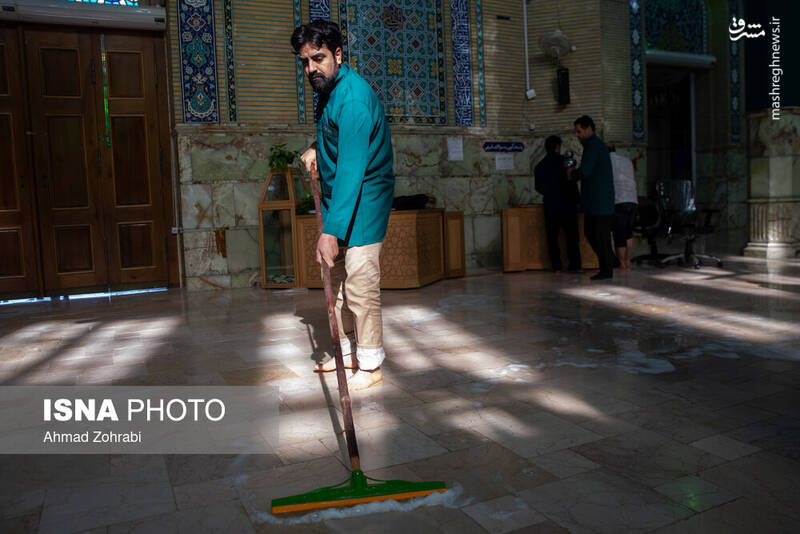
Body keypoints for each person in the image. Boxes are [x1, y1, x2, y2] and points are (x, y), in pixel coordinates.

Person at [291, 20, 395, 390]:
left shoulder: (352, 98)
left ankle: (370, 365)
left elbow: (353, 167)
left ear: (338, 54)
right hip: (342, 194)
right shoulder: (329, 89)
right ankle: (349, 351)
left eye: (318, 58)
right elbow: (334, 135)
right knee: (337, 281)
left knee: (360, 280)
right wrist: (317, 147)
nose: (311, 69)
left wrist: (331, 231)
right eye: (305, 62)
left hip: (364, 196)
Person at [566, 115, 615, 280]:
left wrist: (572, 174)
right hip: (597, 202)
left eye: (579, 131)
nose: (577, 135)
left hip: (599, 203)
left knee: (600, 236)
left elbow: (585, 171)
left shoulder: (594, 146)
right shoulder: (595, 145)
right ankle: (608, 263)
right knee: (594, 233)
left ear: (589, 129)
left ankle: (607, 268)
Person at [534, 135, 581, 272]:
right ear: (557, 147)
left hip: (551, 206)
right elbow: (572, 181)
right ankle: (575, 266)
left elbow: (538, 187)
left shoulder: (539, 166)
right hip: (568, 205)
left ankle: (556, 267)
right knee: (572, 237)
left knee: (552, 238)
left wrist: (550, 193)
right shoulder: (565, 162)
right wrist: (577, 200)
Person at [608, 144, 638, 269]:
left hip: (619, 200)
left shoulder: (606, 161)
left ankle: (621, 262)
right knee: (628, 233)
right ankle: (627, 260)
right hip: (632, 199)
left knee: (619, 234)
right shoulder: (626, 161)